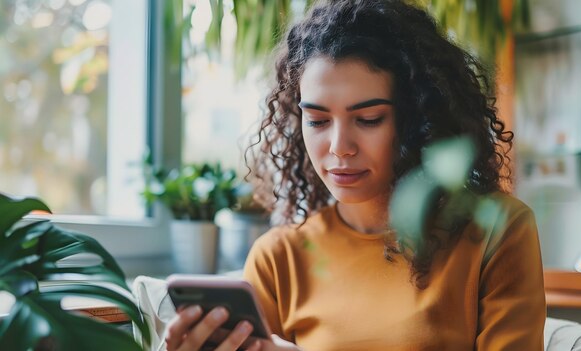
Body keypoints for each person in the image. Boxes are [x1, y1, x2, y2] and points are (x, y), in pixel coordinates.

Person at [164, 0, 546, 350]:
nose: (338, 147)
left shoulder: (496, 231)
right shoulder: (279, 258)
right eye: (316, 120)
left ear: (419, 119)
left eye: (368, 119)